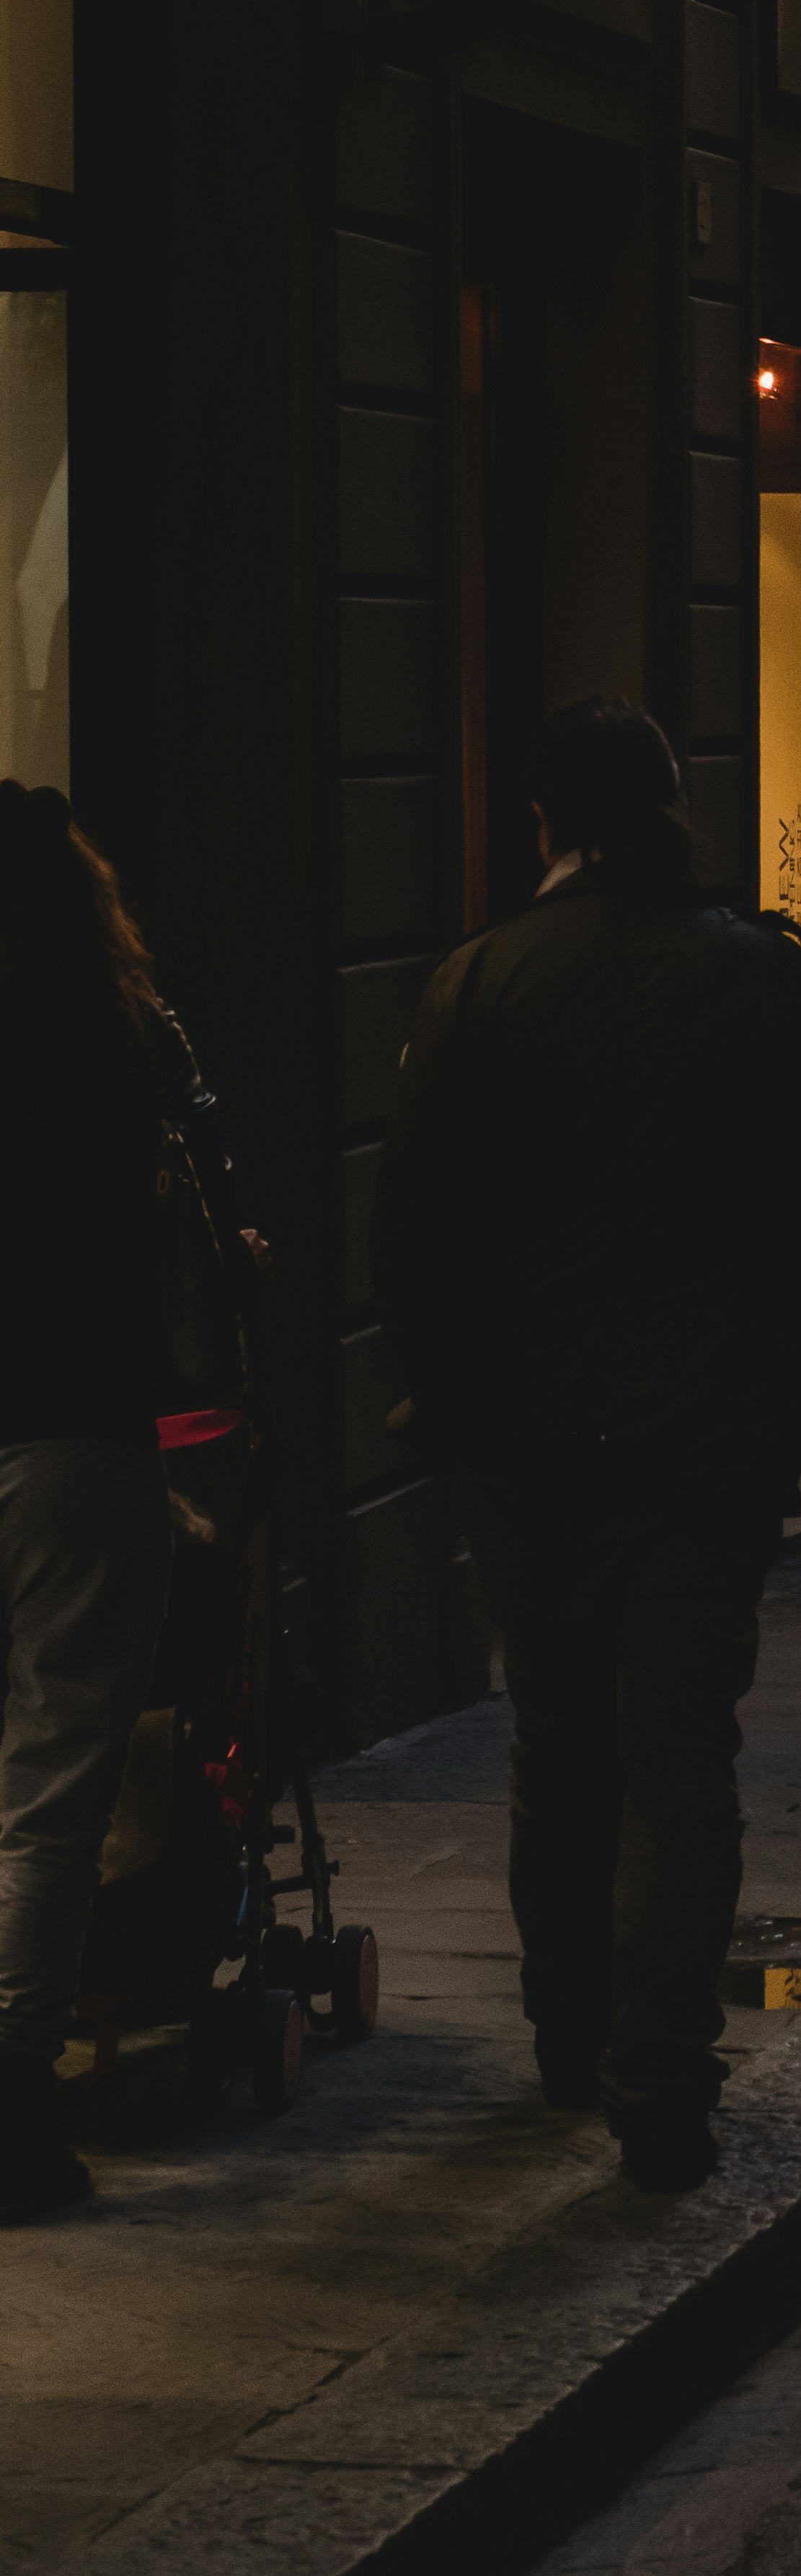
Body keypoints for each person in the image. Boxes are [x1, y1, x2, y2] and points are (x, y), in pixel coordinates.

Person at [379, 703, 801, 2194]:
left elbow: (411, 1227)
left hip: (529, 1440)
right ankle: (661, 2081)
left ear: (543, 821)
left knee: (560, 1737)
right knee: (680, 1748)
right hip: (705, 1430)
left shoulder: (478, 982)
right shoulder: (760, 975)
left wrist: (446, 1392)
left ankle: (568, 2032)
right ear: (674, 807)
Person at [0, 789, 217, 2225]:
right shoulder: (120, 1042)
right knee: (48, 1801)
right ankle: (12, 2117)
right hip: (72, 1431)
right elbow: (197, 1220)